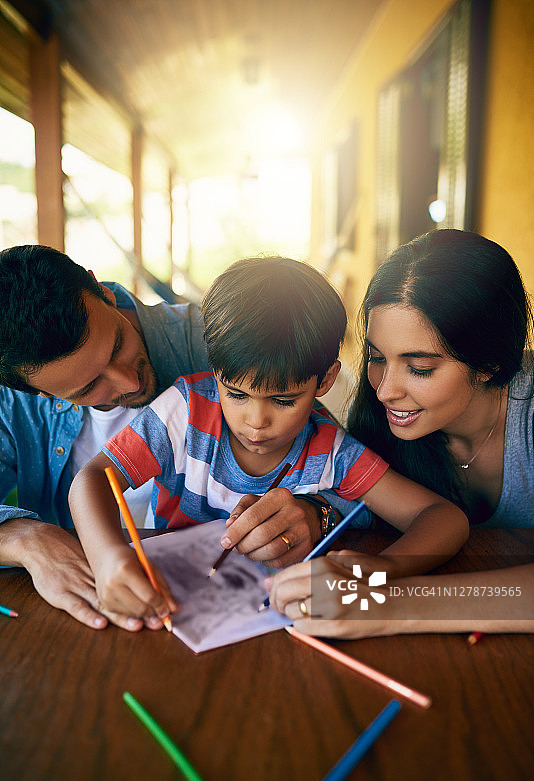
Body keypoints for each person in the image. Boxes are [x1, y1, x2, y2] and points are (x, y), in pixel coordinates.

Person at [68, 256, 468, 628]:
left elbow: (443, 518)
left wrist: (373, 572)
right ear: (215, 368)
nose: (256, 422)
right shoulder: (185, 413)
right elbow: (92, 479)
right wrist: (106, 559)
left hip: (281, 627)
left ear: (325, 380)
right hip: (168, 614)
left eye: (283, 400)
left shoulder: (330, 450)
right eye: (236, 394)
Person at [0, 245, 327, 632]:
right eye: (88, 387)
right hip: (93, 619)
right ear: (33, 391)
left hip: (239, 605)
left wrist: (316, 512)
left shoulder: (217, 339)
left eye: (118, 344)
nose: (130, 381)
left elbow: (335, 451)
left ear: (101, 290)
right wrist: (24, 538)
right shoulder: (10, 399)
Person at [268, 229, 533, 635]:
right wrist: (311, 516)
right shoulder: (382, 425)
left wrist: (381, 602)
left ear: (490, 364)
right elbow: (354, 508)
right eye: (376, 358)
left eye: (420, 368)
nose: (385, 390)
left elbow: (377, 596)